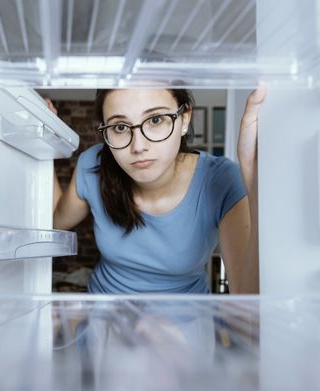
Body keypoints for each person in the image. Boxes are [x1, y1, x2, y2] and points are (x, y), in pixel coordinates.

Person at [50, 87, 266, 294]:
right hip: (105, 318)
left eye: (155, 120)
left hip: (184, 324)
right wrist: (45, 146)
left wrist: (254, 186)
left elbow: (247, 300)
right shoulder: (93, 165)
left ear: (185, 118)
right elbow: (55, 221)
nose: (138, 146)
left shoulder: (223, 180)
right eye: (120, 127)